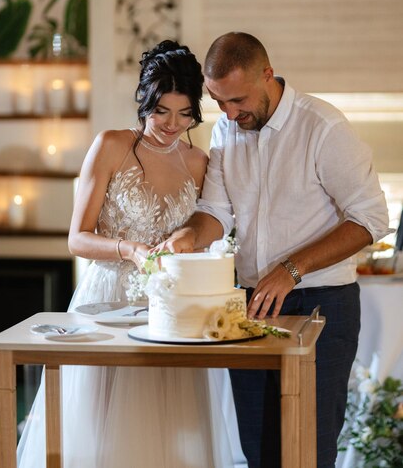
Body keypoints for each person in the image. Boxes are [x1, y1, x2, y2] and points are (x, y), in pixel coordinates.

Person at [158, 32, 391, 468]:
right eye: (218, 101)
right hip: (248, 307)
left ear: (268, 74)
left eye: (238, 100)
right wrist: (189, 235)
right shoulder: (228, 130)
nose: (228, 113)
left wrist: (292, 269)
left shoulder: (323, 128)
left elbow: (371, 219)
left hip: (321, 305)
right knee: (259, 451)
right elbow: (215, 210)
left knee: (306, 450)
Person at [17, 40, 237, 468]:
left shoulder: (199, 163)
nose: (172, 124)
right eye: (161, 111)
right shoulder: (111, 145)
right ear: (144, 101)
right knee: (96, 432)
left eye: (184, 112)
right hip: (106, 301)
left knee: (167, 430)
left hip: (169, 309)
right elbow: (77, 238)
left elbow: (208, 226)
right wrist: (128, 249)